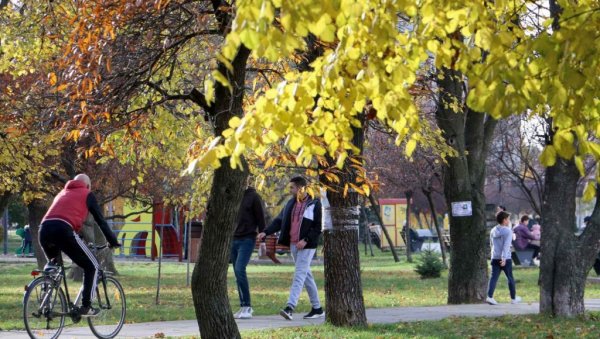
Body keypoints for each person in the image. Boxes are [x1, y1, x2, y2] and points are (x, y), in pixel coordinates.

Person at [39, 174, 120, 317]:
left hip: (44, 230)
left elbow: (64, 215)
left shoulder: (62, 193)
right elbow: (101, 221)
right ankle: (86, 306)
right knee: (92, 266)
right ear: (88, 186)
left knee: (54, 265)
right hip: (63, 230)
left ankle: (46, 297)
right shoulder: (87, 194)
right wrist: (113, 241)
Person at [257, 176, 324, 320]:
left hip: (306, 245)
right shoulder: (290, 204)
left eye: (292, 187)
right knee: (306, 275)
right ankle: (317, 308)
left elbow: (318, 227)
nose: (290, 190)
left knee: (299, 274)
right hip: (293, 244)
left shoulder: (314, 204)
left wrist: (305, 240)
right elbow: (279, 221)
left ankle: (290, 307)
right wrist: (265, 232)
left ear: (301, 188)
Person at [231, 176, 266, 320]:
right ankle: (242, 306)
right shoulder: (233, 196)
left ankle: (248, 306)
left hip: (247, 239)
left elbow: (261, 219)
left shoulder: (253, 197)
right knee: (236, 273)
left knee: (240, 269)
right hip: (233, 239)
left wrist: (263, 240)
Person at [486, 211, 521, 305]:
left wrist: (494, 255)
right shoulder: (508, 231)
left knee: (493, 278)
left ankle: (489, 297)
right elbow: (506, 246)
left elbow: (491, 244)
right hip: (506, 258)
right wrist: (504, 258)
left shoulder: (493, 230)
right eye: (508, 219)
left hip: (495, 257)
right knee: (510, 278)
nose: (509, 220)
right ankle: (513, 299)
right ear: (504, 220)